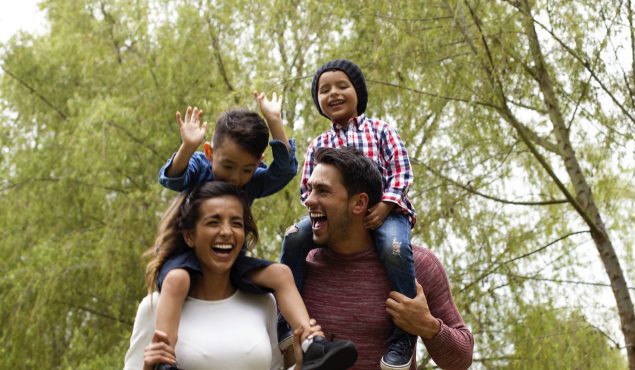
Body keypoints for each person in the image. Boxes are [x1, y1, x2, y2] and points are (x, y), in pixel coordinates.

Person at [154, 92, 355, 369]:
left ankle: (311, 344)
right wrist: (188, 147)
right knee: (177, 280)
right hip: (186, 256)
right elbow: (173, 178)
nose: (236, 178)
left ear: (258, 162)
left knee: (281, 273)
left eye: (246, 169)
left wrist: (274, 121)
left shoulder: (251, 181)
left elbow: (283, 172)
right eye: (228, 166)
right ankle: (165, 360)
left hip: (230, 261)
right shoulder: (201, 168)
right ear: (211, 153)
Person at [125, 181, 356, 370]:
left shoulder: (264, 302)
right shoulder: (155, 307)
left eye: (236, 223)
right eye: (213, 222)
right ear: (189, 236)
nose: (226, 232)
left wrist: (299, 366)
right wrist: (148, 368)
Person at [280, 59, 418, 369]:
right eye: (324, 90)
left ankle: (403, 334)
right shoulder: (319, 144)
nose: (333, 94)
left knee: (395, 249)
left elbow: (401, 173)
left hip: (387, 211)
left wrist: (385, 205)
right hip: (334, 217)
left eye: (342, 86)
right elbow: (307, 190)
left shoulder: (380, 131)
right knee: (294, 237)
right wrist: (319, 205)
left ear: (359, 92)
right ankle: (286, 319)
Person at [297, 147, 474, 369]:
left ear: (359, 203)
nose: (309, 200)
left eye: (323, 191)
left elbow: (462, 359)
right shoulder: (299, 267)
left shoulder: (418, 265)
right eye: (310, 189)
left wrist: (428, 326)